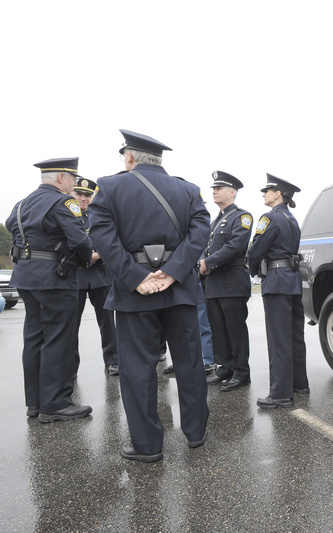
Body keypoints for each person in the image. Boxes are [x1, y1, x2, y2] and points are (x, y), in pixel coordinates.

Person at [87, 130, 210, 463]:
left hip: (135, 295)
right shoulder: (189, 190)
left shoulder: (109, 187)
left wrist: (136, 277)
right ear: (159, 159)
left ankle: (147, 445)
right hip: (180, 289)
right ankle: (196, 433)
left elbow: (101, 234)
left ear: (129, 157)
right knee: (189, 363)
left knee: (138, 369)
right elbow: (201, 231)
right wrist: (174, 271)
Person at [6, 158, 94, 422]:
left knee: (34, 338)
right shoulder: (62, 202)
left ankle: (35, 403)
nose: (75, 184)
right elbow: (79, 239)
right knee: (59, 339)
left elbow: (11, 227)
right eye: (73, 179)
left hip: (25, 277)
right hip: (55, 278)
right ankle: (55, 404)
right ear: (61, 178)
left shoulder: (21, 204)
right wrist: (87, 258)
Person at [247, 174, 308, 409]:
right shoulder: (292, 219)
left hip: (276, 281)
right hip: (292, 280)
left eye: (267, 190)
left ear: (278, 194)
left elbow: (255, 251)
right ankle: (299, 384)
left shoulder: (270, 218)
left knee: (278, 339)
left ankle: (281, 393)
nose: (264, 194)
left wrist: (254, 270)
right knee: (294, 336)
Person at [199, 171, 253, 391]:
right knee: (218, 329)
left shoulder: (242, 217)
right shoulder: (216, 220)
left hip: (232, 282)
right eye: (213, 188)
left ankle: (241, 372)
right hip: (214, 284)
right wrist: (202, 260)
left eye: (218, 188)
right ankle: (225, 367)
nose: (214, 191)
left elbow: (235, 246)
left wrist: (208, 263)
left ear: (232, 192)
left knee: (235, 329)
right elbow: (206, 247)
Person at [72, 177, 119, 377]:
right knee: (70, 325)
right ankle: (70, 368)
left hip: (100, 274)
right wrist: (82, 257)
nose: (83, 198)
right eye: (79, 194)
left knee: (107, 323)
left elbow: (112, 238)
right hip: (75, 276)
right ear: (71, 195)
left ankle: (113, 362)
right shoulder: (65, 214)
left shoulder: (100, 215)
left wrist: (97, 254)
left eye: (87, 195)